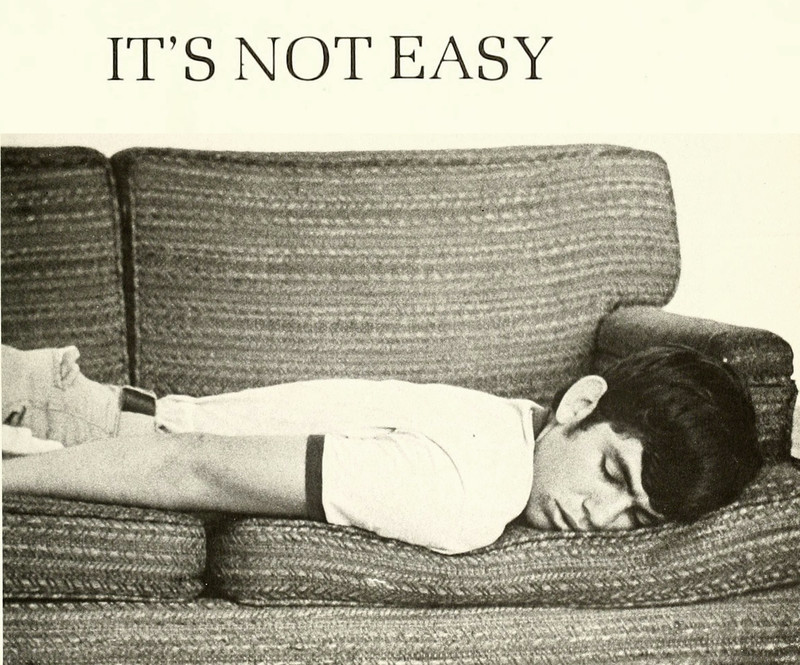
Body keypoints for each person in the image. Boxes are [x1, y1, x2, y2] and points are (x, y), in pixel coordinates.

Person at [1, 343, 761, 554]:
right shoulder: (469, 491)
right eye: (612, 472)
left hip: (75, 403)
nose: (600, 513)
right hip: (67, 425)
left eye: (635, 516)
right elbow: (192, 464)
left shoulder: (509, 424)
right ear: (581, 404)